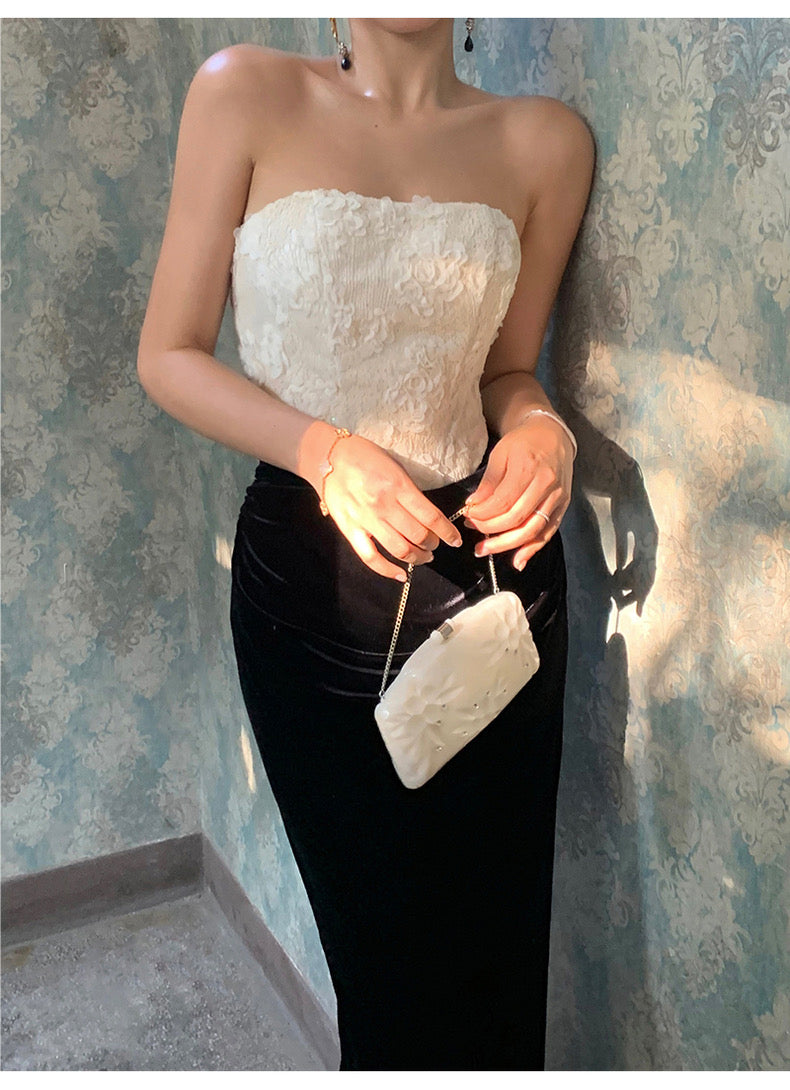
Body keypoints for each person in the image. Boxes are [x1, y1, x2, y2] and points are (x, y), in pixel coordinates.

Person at [137, 17, 594, 1071]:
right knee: (387, 969)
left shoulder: (545, 142)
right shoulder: (244, 94)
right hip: (313, 590)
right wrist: (326, 452)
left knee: (496, 955)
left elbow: (505, 370)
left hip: (501, 582)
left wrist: (542, 427)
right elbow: (169, 353)